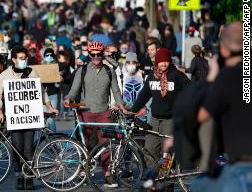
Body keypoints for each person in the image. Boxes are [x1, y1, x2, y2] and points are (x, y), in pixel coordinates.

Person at [194, 22, 251, 192]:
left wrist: (211, 79)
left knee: (199, 184)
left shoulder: (227, 77)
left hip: (241, 167)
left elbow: (201, 116)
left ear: (224, 50)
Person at [0, 45, 58, 190]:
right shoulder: (5, 75)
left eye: (25, 58)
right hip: (14, 117)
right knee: (17, 148)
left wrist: (50, 106)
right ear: (14, 60)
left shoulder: (32, 72)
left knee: (28, 149)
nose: (24, 61)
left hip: (29, 118)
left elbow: (41, 92)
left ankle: (29, 177)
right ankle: (19, 176)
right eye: (21, 58)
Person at [121, 47, 190, 177]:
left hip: (170, 120)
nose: (164, 64)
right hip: (154, 119)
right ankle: (157, 177)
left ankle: (168, 181)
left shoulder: (177, 75)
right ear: (156, 62)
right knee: (149, 150)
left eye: (166, 61)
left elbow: (192, 90)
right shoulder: (152, 76)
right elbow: (144, 95)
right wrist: (133, 110)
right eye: (161, 61)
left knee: (167, 153)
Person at [64, 41, 124, 188]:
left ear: (103, 54)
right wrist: (68, 98)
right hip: (86, 112)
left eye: (99, 54)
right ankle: (84, 173)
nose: (96, 57)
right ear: (89, 55)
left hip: (104, 112)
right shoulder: (82, 70)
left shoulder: (109, 71)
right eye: (93, 55)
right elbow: (74, 89)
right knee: (86, 145)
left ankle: (107, 175)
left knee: (106, 145)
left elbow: (116, 91)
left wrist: (121, 106)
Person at [40, 48, 59, 132]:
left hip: (52, 94)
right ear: (44, 56)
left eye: (51, 55)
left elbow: (62, 78)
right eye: (47, 55)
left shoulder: (56, 66)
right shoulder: (40, 66)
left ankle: (54, 137)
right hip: (43, 95)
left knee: (51, 118)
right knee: (44, 119)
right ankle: (45, 138)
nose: (49, 56)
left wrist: (59, 77)